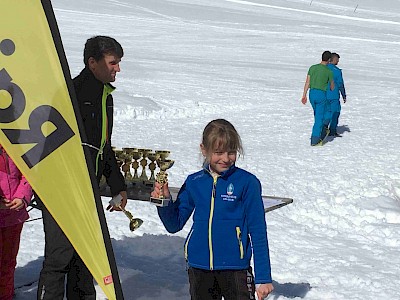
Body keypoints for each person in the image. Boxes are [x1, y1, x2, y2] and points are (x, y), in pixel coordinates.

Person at [37, 36, 128, 300]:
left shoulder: (104, 96)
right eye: (113, 63)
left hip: (85, 193)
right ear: (92, 63)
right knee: (58, 259)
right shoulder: (70, 93)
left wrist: (118, 186)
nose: (117, 69)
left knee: (84, 260)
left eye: (118, 63)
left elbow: (104, 147)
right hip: (61, 192)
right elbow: (50, 147)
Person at [151, 119, 274, 300]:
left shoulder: (247, 183)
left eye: (231, 152)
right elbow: (174, 224)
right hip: (199, 267)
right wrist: (165, 200)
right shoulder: (194, 182)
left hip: (235, 268)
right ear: (204, 150)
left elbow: (258, 231)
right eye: (218, 152)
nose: (225, 158)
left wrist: (263, 277)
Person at [0, 144, 33, 300]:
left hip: (13, 214)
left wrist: (22, 196)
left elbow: (28, 172)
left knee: (8, 262)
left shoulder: (15, 142)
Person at [301, 51, 335, 146]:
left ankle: (321, 129)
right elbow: (332, 87)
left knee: (318, 114)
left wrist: (304, 95)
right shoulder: (329, 71)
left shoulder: (312, 68)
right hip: (321, 94)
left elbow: (307, 82)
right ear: (329, 60)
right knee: (320, 117)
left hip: (312, 94)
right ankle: (315, 139)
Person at [327, 53, 347, 137]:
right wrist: (344, 94)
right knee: (335, 112)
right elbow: (340, 84)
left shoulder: (324, 68)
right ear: (333, 59)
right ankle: (332, 131)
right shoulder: (336, 71)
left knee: (326, 112)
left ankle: (323, 128)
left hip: (324, 94)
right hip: (334, 95)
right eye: (337, 60)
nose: (338, 61)